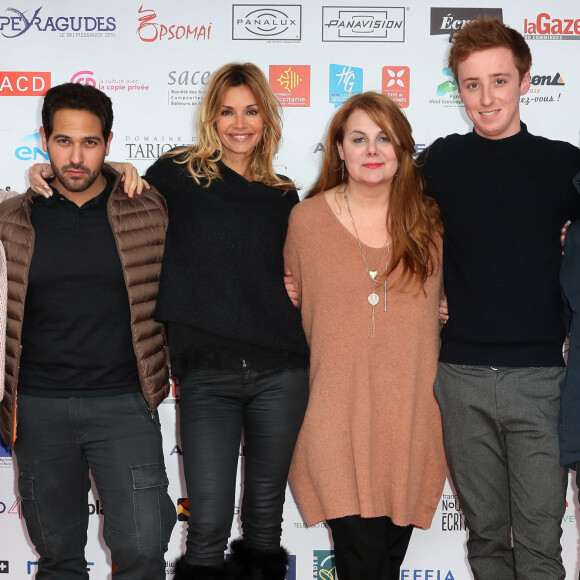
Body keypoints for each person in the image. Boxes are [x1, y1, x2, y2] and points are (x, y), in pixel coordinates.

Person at [419, 18, 580, 579]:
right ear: (458, 89)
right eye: (471, 85)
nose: (486, 98)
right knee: (486, 539)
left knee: (539, 545)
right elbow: (367, 210)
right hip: (458, 376)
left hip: (540, 380)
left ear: (526, 81)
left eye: (500, 81)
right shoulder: (439, 161)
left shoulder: (566, 163)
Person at [0, 82, 176, 579]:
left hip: (124, 403)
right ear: (43, 139)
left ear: (109, 142)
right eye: (63, 142)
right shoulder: (11, 219)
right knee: (59, 561)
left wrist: (124, 174)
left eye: (90, 143)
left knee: (143, 553)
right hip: (38, 409)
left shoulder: (148, 209)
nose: (76, 157)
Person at [143, 63, 310, 579]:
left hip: (280, 371)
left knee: (265, 524)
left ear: (268, 116)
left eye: (251, 111)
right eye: (227, 111)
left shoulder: (284, 192)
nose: (240, 123)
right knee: (207, 521)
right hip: (206, 373)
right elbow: (119, 210)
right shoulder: (176, 173)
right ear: (211, 118)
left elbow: (306, 265)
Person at [285, 91, 447, 579]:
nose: (372, 150)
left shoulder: (432, 222)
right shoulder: (305, 221)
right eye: (358, 138)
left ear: (402, 150)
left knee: (384, 565)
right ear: (339, 149)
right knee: (360, 563)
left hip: (412, 421)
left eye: (384, 138)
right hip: (334, 419)